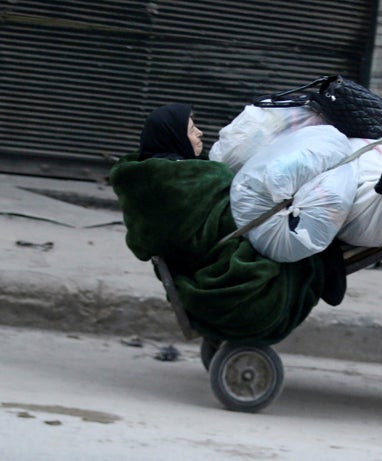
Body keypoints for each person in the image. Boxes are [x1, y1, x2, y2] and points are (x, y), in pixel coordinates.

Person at [109, 103, 345, 346]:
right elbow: (241, 220)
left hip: (199, 288)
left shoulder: (142, 187)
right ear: (173, 137)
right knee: (300, 237)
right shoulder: (193, 181)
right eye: (191, 129)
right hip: (239, 294)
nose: (199, 133)